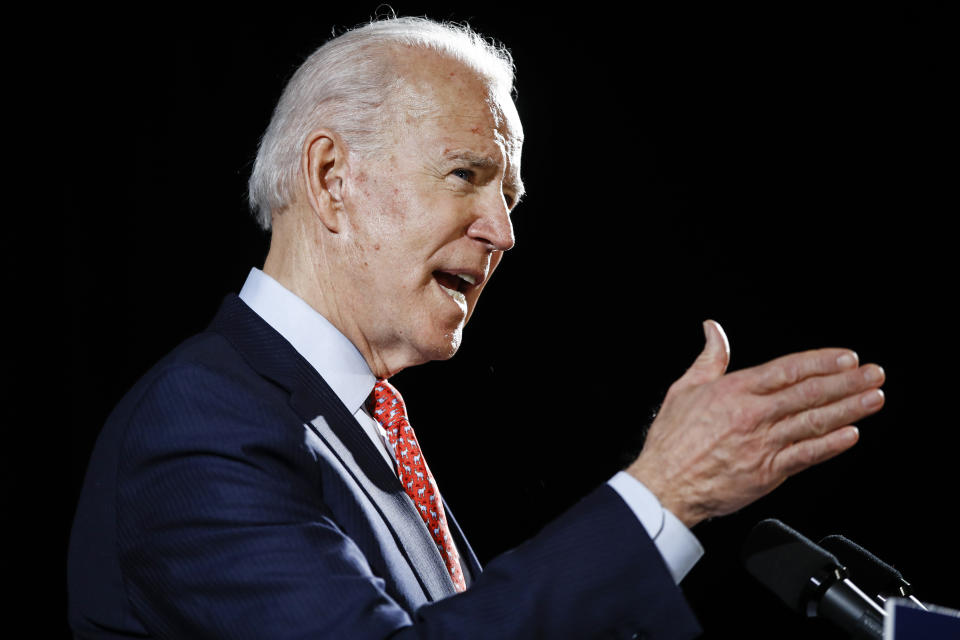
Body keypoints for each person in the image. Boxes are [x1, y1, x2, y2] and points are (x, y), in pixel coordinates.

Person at [67, 17, 886, 639]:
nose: (503, 232)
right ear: (330, 179)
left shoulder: (361, 422)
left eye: (510, 199)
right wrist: (664, 493)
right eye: (466, 175)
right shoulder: (202, 419)